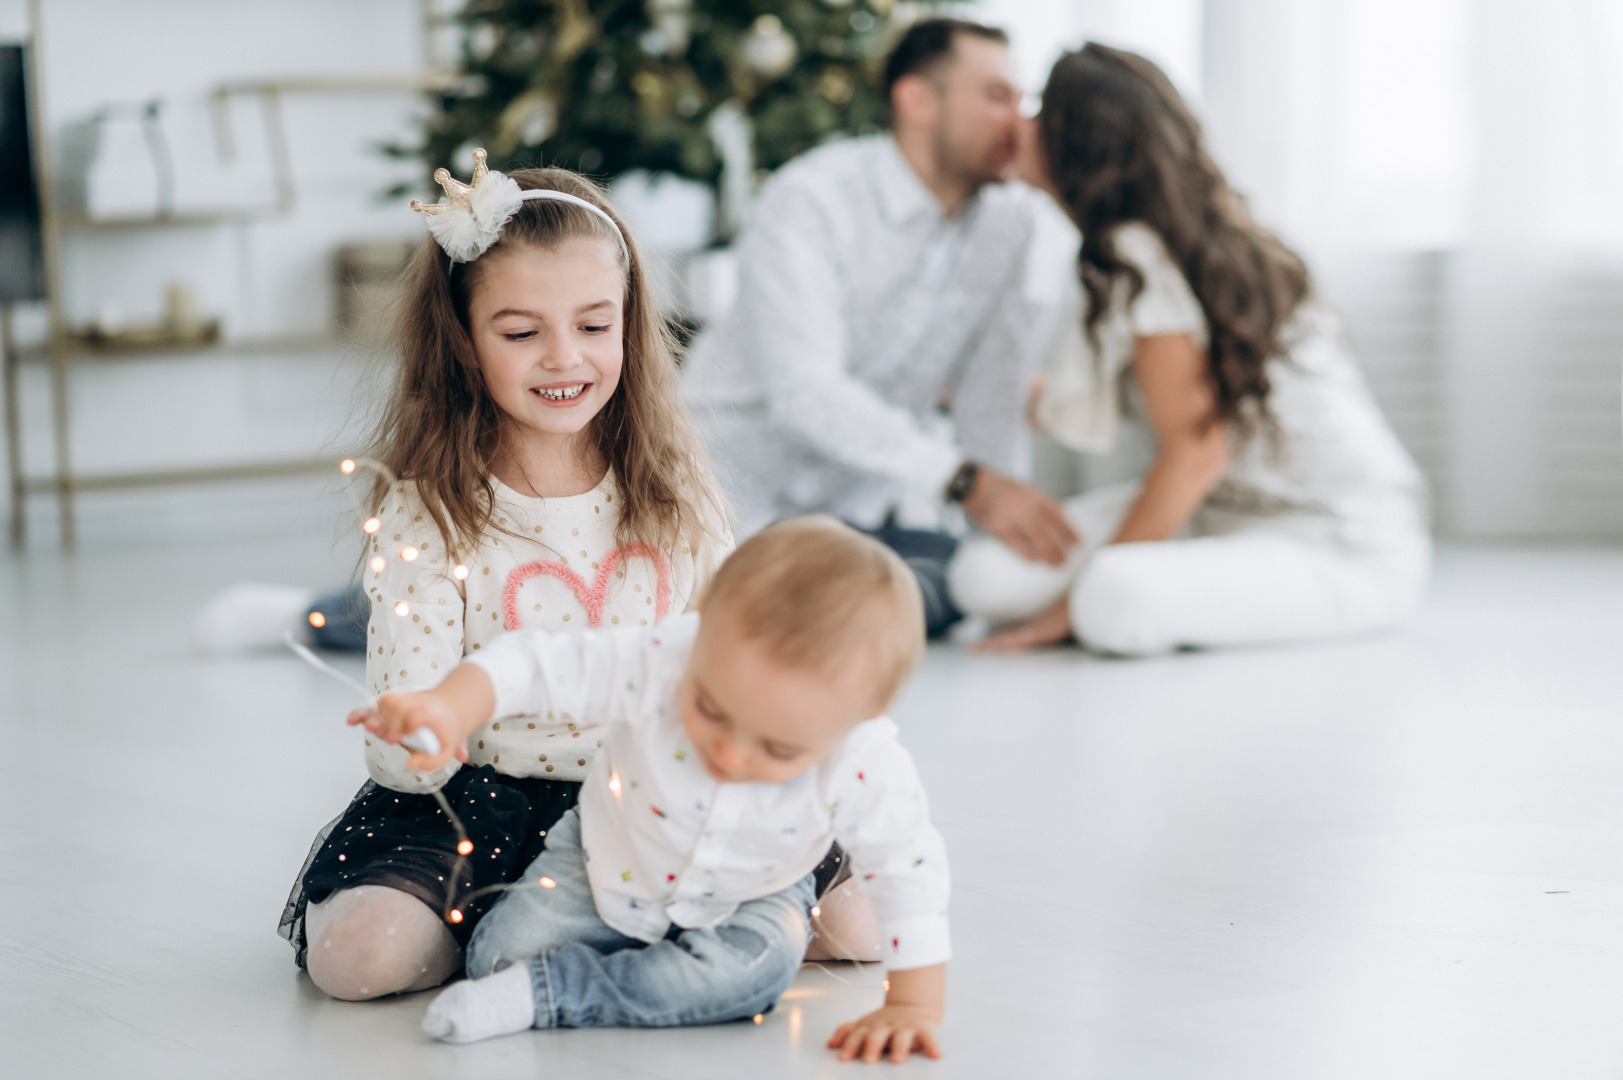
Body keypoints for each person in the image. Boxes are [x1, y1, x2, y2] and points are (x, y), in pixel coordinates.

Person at [277, 155, 733, 1002]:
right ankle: (519, 925)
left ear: (630, 325)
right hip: (478, 806)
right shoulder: (428, 508)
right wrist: (414, 736)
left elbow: (726, 645)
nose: (565, 359)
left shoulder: (675, 485)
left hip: (649, 790)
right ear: (462, 339)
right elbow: (407, 743)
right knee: (356, 958)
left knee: (849, 928)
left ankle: (553, 930)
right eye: (521, 334)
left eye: (595, 327)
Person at [353, 517, 950, 1064]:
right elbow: (539, 664)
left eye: (778, 750)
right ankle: (601, 975)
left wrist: (913, 1005)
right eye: (711, 709)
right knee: (494, 960)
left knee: (756, 975)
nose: (730, 754)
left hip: (752, 892)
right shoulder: (665, 656)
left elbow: (908, 869)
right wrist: (451, 705)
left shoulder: (866, 756)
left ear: (864, 713)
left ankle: (556, 993)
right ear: (706, 614)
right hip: (607, 863)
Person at [948, 44, 1430, 655]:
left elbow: (1195, 452)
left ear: (1080, 146)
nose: (1021, 121)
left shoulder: (1142, 258)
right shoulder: (1134, 248)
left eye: (1041, 110)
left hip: (1338, 539)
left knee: (1110, 598)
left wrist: (1066, 610)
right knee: (982, 578)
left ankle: (1131, 595)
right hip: (1219, 512)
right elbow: (1110, 395)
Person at [682, 17, 1078, 638]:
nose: (1018, 123)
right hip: (726, 503)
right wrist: (966, 483)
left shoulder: (1013, 225)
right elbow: (806, 392)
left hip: (850, 520)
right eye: (997, 97)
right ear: (917, 99)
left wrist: (1012, 540)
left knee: (968, 587)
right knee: (823, 618)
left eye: (1022, 101)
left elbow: (991, 404)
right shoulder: (813, 198)